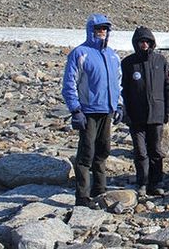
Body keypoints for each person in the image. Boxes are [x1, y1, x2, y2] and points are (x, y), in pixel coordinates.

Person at [62, 14, 122, 207]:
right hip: (88, 111)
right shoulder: (80, 53)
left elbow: (117, 83)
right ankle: (82, 196)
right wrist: (75, 109)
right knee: (86, 153)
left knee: (103, 150)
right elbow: (69, 83)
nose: (102, 32)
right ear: (91, 30)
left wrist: (119, 104)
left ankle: (100, 188)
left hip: (107, 110)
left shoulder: (112, 55)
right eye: (98, 29)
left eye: (105, 29)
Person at [120, 26, 169, 197]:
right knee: (140, 151)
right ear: (136, 43)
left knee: (155, 151)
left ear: (152, 43)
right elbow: (123, 89)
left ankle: (156, 182)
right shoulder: (128, 63)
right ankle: (142, 182)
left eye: (147, 41)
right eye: (141, 41)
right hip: (136, 115)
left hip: (157, 114)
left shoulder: (160, 61)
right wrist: (124, 112)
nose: (144, 44)